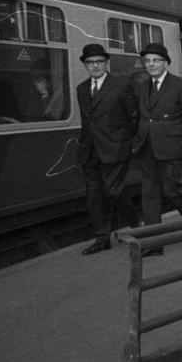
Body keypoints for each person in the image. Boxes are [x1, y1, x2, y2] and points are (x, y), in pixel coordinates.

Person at [131, 41, 182, 256]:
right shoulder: (143, 87)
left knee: (171, 190)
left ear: (166, 63)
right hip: (147, 147)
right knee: (149, 193)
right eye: (148, 61)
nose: (151, 64)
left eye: (156, 60)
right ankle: (155, 243)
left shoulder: (181, 86)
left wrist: (179, 142)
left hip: (171, 146)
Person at [75, 43, 141, 255]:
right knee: (94, 195)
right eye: (90, 63)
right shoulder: (82, 89)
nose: (95, 66)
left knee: (114, 191)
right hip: (90, 149)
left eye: (99, 62)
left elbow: (133, 117)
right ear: (85, 65)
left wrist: (125, 143)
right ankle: (102, 238)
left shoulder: (121, 85)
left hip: (115, 147)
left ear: (106, 63)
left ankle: (137, 224)